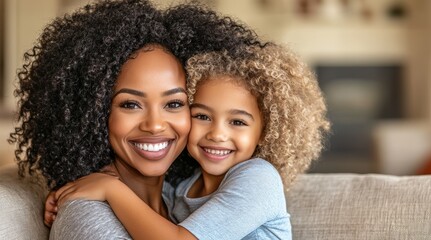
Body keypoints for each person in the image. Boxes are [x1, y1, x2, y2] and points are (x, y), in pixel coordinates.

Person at [9, 0, 266, 239]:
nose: (154, 124)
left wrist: (112, 189)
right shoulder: (89, 216)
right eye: (130, 104)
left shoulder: (176, 196)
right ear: (95, 112)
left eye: (174, 104)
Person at [54, 43, 330, 239]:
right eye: (202, 116)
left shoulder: (258, 178)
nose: (217, 134)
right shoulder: (179, 193)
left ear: (266, 131)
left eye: (237, 122)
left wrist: (111, 190)